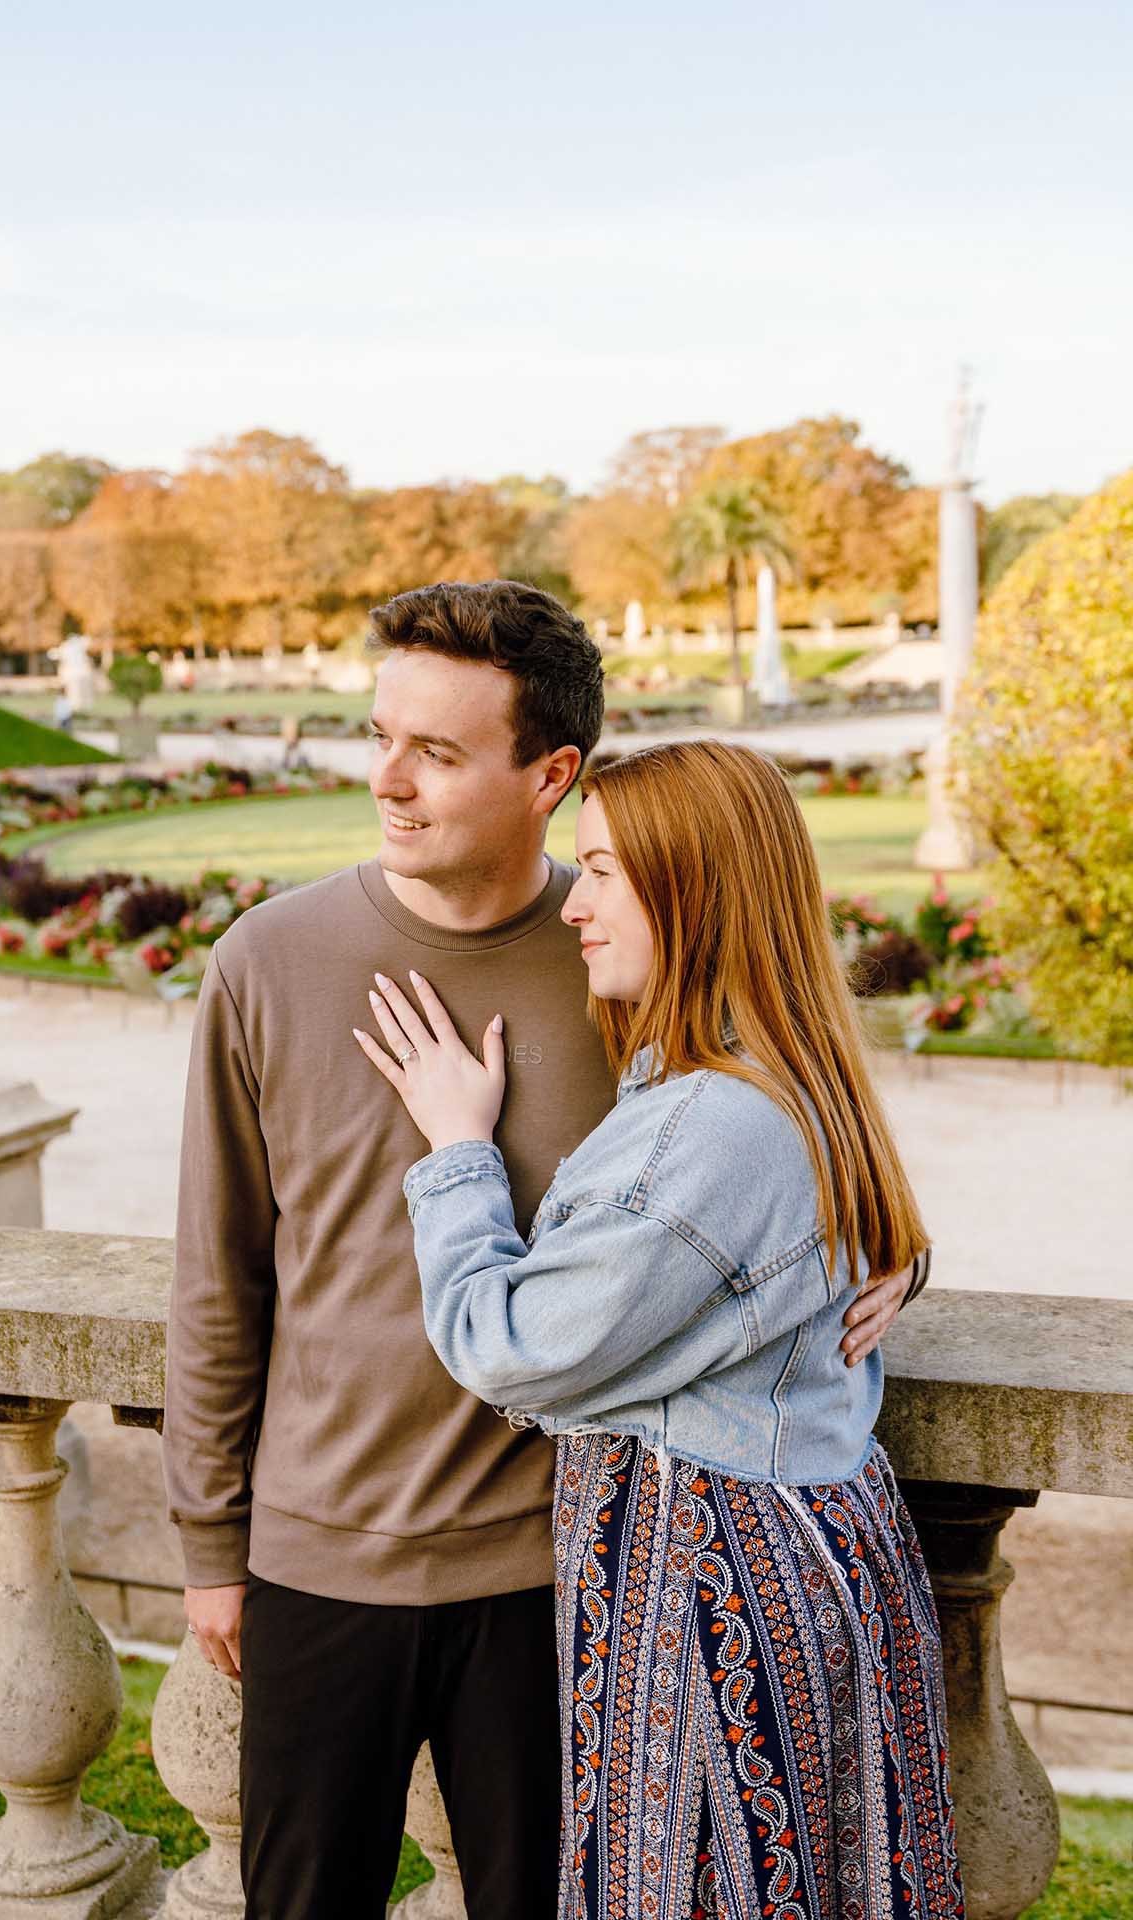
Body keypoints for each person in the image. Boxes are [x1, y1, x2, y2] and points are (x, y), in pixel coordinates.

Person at [162, 583, 923, 1920]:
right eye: (381, 733)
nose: (387, 780)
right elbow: (219, 1275)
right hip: (320, 1561)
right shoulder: (266, 961)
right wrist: (210, 1543)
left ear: (549, 774)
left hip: (554, 1575)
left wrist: (890, 1260)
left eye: (438, 753)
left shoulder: (631, 954)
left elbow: (779, 1134)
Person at [357, 737, 962, 1920]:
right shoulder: (790, 1071)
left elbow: (509, 1346)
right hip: (795, 1559)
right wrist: (906, 1256)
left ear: (696, 890)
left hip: (712, 1591)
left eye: (599, 873)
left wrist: (456, 1154)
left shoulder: (706, 1128)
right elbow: (801, 1249)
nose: (572, 904)